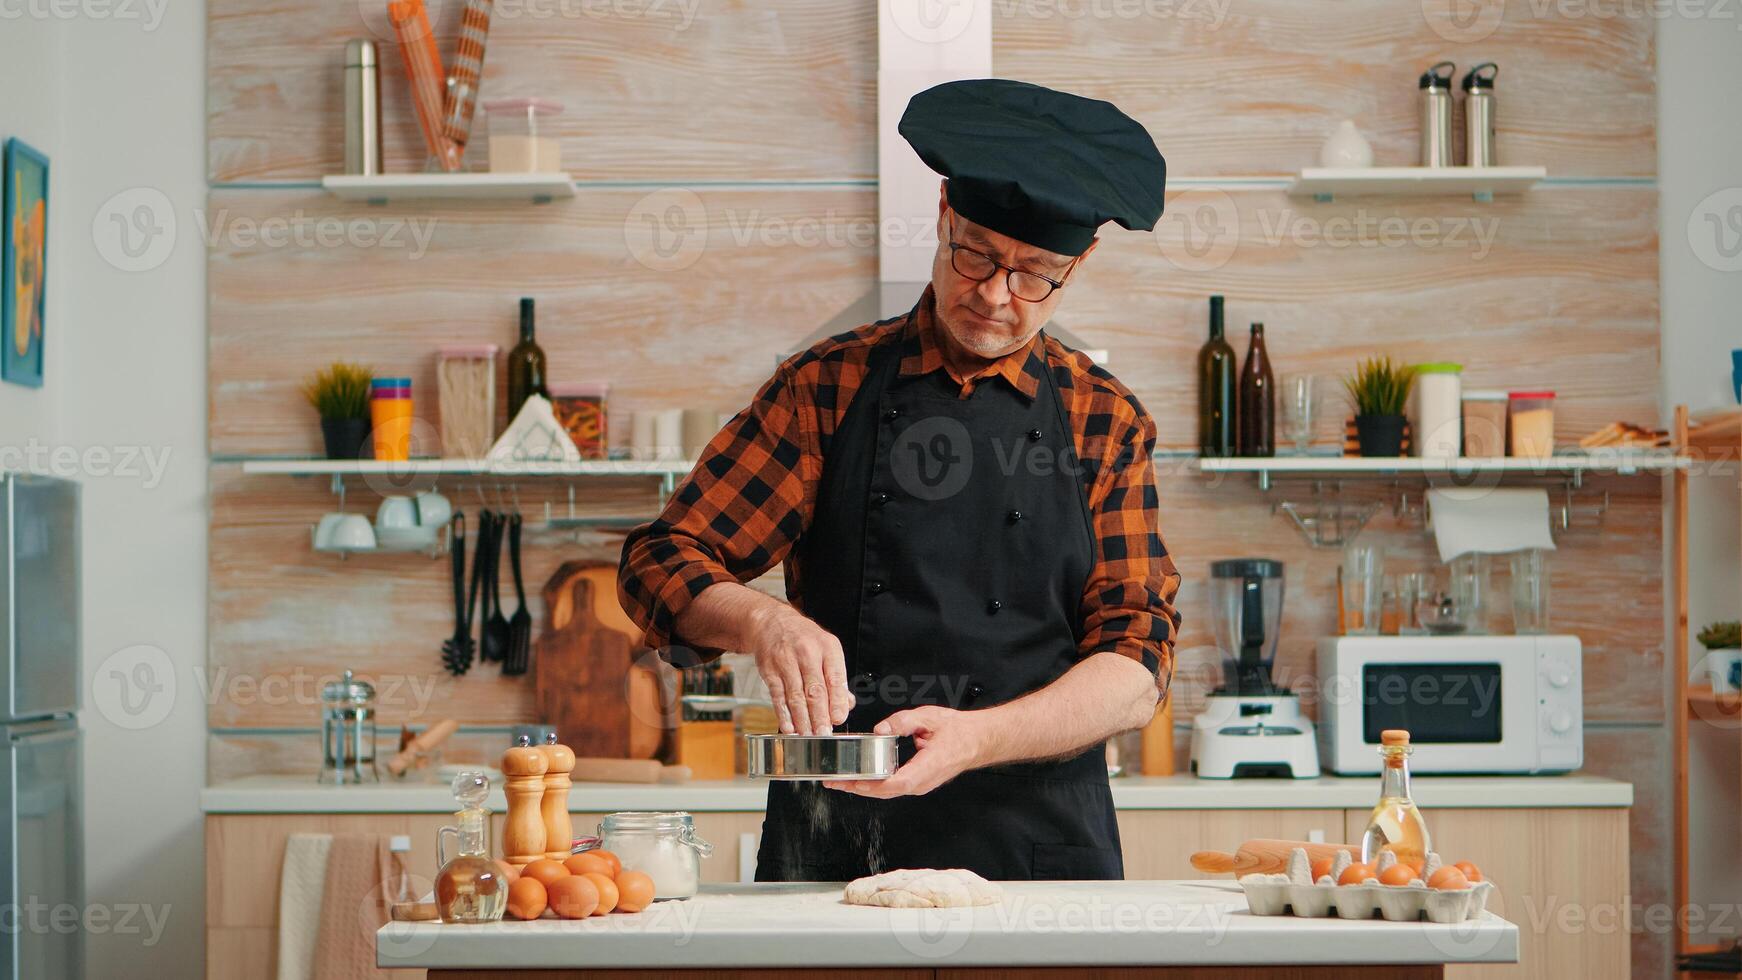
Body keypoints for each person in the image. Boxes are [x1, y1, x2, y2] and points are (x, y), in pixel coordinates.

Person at [619, 78, 1181, 881]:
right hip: (837, 848)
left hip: (1042, 855)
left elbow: (1136, 663)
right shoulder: (825, 387)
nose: (994, 295)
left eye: (1033, 275)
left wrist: (980, 738)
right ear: (945, 211)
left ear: (1079, 263)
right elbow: (655, 564)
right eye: (977, 254)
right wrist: (762, 623)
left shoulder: (1105, 419)